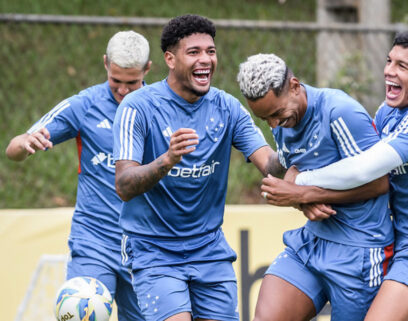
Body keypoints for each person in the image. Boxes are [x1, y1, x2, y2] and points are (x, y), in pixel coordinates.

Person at [264, 31, 408, 321]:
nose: (389, 71)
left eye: (402, 67)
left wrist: (302, 184)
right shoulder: (388, 111)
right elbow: (349, 162)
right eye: (389, 61)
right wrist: (295, 174)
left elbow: (363, 170)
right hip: (394, 240)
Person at [112, 15, 284, 321]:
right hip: (153, 249)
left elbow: (269, 164)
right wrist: (166, 160)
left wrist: (293, 142)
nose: (205, 59)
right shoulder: (137, 107)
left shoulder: (228, 108)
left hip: (209, 249)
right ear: (170, 59)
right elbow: (124, 185)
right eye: (194, 52)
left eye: (211, 51)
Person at [237, 53, 395, 321]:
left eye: (276, 114)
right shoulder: (282, 120)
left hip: (360, 251)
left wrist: (302, 193)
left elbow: (381, 182)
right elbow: (294, 171)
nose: (274, 125)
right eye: (265, 119)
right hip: (311, 242)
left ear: (295, 86)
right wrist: (300, 198)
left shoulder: (339, 112)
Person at [5, 31, 151, 320]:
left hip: (145, 246)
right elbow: (14, 148)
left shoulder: (161, 107)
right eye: (116, 81)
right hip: (94, 242)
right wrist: (24, 144)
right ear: (106, 63)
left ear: (147, 69)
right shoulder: (85, 105)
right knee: (81, 312)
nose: (122, 90)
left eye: (131, 83)